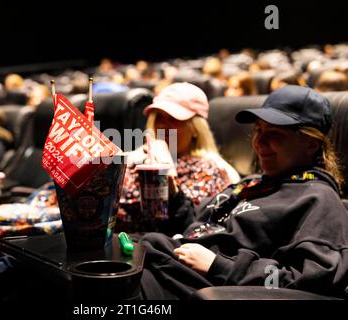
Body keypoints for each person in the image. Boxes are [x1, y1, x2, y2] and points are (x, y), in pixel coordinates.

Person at [139, 85, 348, 299]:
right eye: (259, 130)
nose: (260, 142)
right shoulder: (249, 185)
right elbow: (197, 229)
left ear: (311, 143)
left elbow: (311, 282)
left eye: (275, 133)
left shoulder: (319, 200)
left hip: (199, 288)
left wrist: (219, 266)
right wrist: (174, 197)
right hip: (168, 264)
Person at [118, 82, 240, 233]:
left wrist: (170, 188)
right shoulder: (136, 157)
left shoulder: (211, 170)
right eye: (159, 117)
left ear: (196, 128)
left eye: (174, 119)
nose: (162, 125)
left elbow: (195, 229)